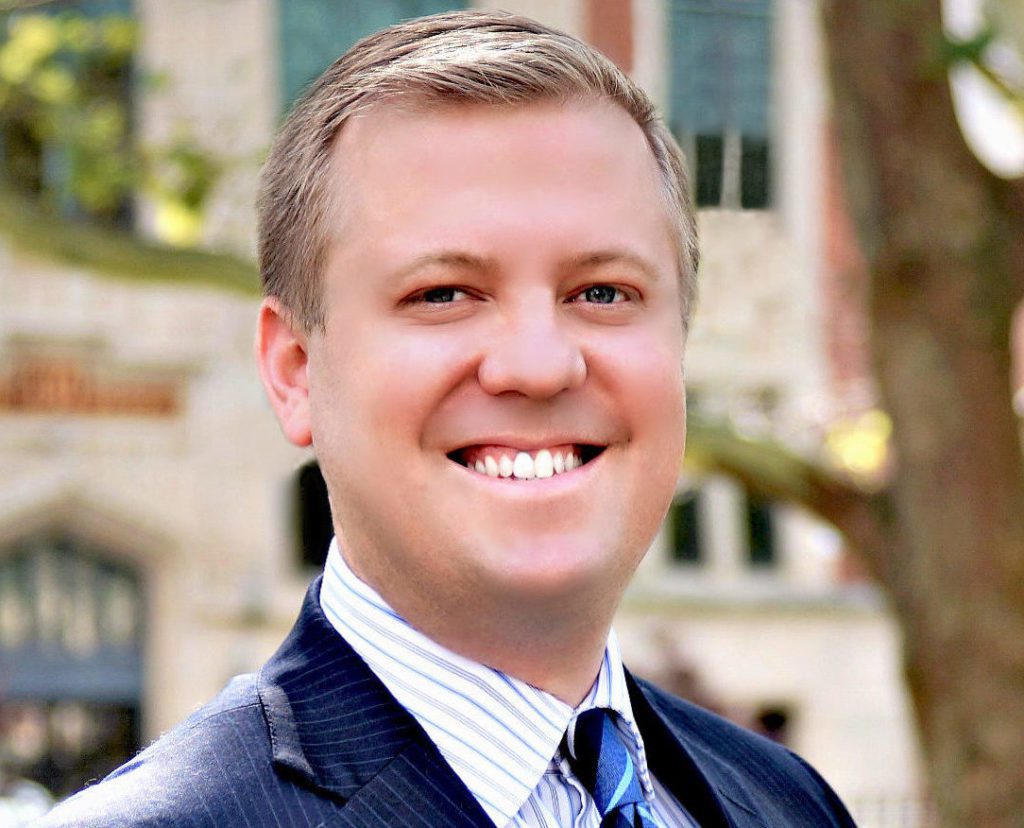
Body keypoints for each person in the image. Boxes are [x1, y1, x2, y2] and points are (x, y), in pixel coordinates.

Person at [38, 11, 856, 827]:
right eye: (444, 295)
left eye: (602, 293)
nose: (537, 365)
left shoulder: (790, 805)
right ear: (294, 371)